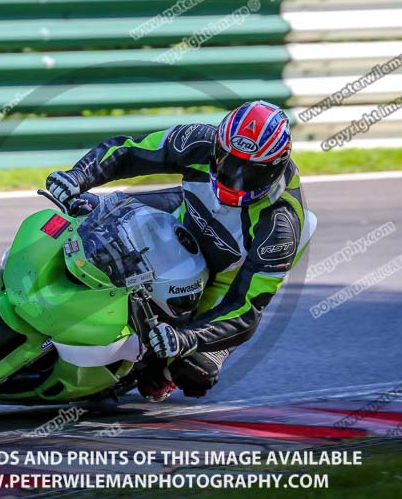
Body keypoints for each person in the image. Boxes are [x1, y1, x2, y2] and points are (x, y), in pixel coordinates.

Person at [46, 100, 312, 400]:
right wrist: (78, 175)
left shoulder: (280, 224)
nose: (234, 178)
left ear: (275, 167)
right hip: (186, 214)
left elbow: (246, 308)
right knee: (92, 212)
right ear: (218, 146)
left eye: (248, 172)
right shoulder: (200, 140)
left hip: (223, 278)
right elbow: (130, 151)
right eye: (227, 161)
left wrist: (186, 338)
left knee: (196, 371)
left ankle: (158, 371)